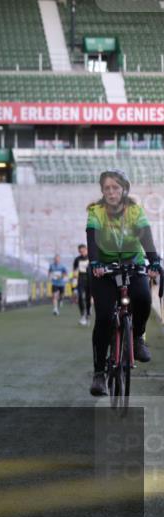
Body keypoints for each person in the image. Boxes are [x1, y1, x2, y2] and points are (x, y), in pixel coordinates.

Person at [85, 169, 161, 397]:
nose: (111, 192)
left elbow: (146, 237)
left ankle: (137, 338)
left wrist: (154, 261)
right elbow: (92, 239)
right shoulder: (96, 211)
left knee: (143, 298)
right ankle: (99, 374)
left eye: (115, 187)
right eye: (107, 188)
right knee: (104, 317)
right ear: (102, 191)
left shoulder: (135, 211)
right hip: (104, 269)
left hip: (133, 263)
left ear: (124, 189)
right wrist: (95, 262)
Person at [72, 243, 92, 326]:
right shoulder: (77, 259)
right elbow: (74, 270)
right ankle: (82, 315)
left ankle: (88, 314)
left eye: (83, 251)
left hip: (90, 280)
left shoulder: (91, 258)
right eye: (80, 251)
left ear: (86, 250)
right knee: (80, 296)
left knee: (88, 298)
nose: (82, 253)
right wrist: (74, 281)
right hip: (80, 280)